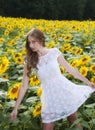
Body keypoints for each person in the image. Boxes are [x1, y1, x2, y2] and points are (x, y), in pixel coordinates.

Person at [11, 28, 95, 130]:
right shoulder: (29, 61)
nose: (31, 45)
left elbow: (70, 69)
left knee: (73, 119)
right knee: (47, 127)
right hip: (49, 96)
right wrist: (16, 108)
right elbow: (24, 85)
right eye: (29, 43)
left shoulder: (54, 53)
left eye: (34, 42)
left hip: (64, 90)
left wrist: (88, 82)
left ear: (41, 40)